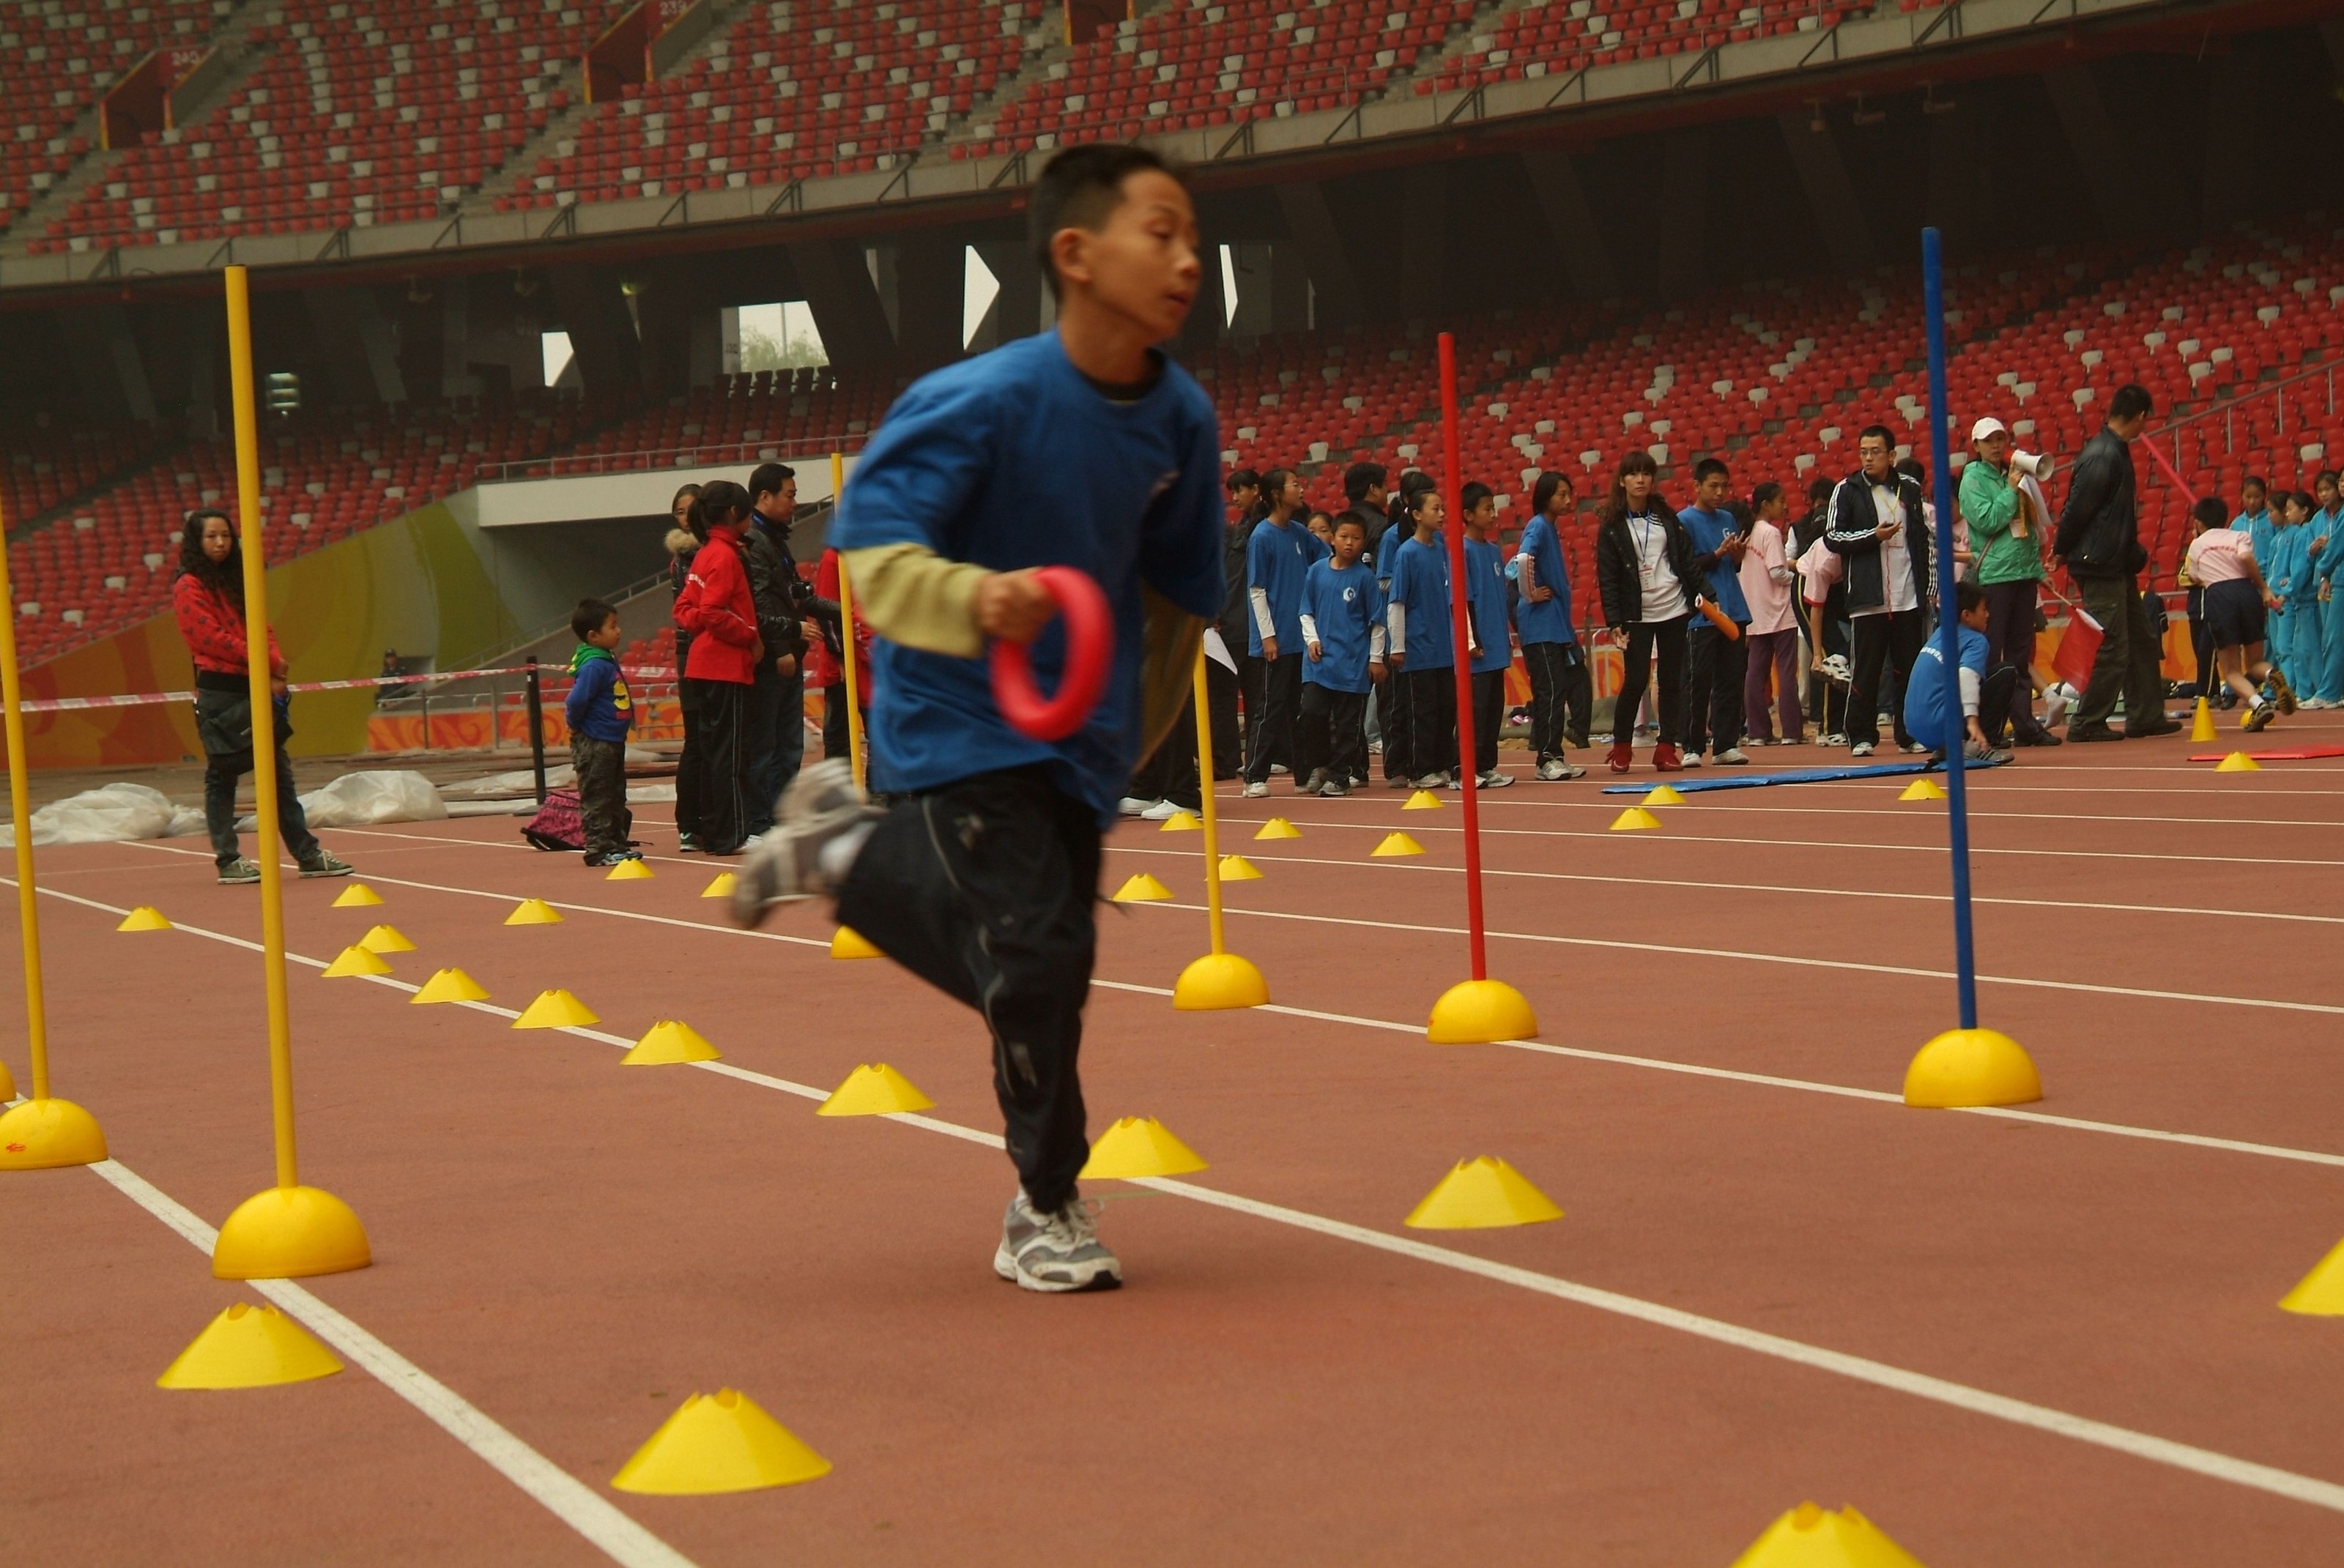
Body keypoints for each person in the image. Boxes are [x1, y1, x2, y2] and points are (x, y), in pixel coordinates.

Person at [732, 143, 1223, 1294]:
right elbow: (874, 558)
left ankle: (840, 852)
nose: (1189, 262)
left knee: (1048, 960)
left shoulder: (1181, 420)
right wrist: (976, 600)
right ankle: (1046, 1204)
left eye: (1196, 240)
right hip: (958, 708)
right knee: (1037, 955)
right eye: (1161, 233)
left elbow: (1175, 605)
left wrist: (1128, 748)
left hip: (1079, 734)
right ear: (1076, 254)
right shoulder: (980, 401)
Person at [170, 508, 352, 885]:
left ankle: (307, 854)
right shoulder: (189, 585)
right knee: (222, 776)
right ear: (196, 542)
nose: (220, 543)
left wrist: (274, 668)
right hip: (220, 690)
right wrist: (266, 660)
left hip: (254, 685)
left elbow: (262, 627)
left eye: (225, 535)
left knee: (278, 774)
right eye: (211, 537)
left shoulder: (237, 580)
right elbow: (208, 639)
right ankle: (228, 859)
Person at [2052, 384, 2176, 741]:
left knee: (2141, 640)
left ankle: (2146, 714)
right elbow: (2078, 509)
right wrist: (2061, 548)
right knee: (2112, 645)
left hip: (2113, 562)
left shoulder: (2111, 451)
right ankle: (2087, 721)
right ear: (2140, 416)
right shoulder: (2104, 455)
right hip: (2100, 563)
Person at [1827, 426, 1932, 757]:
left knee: (1908, 670)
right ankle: (1860, 735)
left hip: (1907, 595)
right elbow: (1833, 537)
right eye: (1863, 452)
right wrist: (1873, 536)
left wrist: (1928, 587)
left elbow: (1923, 538)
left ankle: (1909, 733)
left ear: (1892, 455)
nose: (1868, 458)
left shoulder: (1910, 488)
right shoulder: (1847, 490)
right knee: (1866, 670)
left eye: (1875, 451)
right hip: (1867, 598)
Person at [672, 480, 763, 854]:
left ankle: (714, 830)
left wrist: (706, 629)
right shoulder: (725, 556)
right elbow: (711, 611)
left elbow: (685, 609)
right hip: (725, 666)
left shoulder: (706, 554)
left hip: (701, 665)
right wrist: (749, 635)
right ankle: (732, 834)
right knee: (731, 753)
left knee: (712, 753)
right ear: (734, 513)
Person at [1594, 451, 1698, 773]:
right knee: (1636, 680)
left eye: (1646, 474)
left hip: (1674, 606)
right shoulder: (1612, 526)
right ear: (1622, 481)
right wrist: (1614, 621)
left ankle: (1666, 748)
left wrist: (1707, 593)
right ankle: (1622, 746)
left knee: (1670, 681)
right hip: (1636, 614)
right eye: (1633, 474)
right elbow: (1608, 578)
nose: (1640, 480)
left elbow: (1686, 558)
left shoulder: (1666, 516)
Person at [1958, 417, 2058, 746]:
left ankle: (2025, 725)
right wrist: (2011, 491)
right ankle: (1989, 727)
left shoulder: (2013, 472)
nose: (1996, 445)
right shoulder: (1973, 478)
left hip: (2022, 575)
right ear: (1976, 446)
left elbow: (2026, 528)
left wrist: (2038, 571)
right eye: (1989, 441)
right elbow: (1988, 521)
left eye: (2000, 439)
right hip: (1995, 576)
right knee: (1990, 654)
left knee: (2020, 654)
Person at [741, 462, 814, 835]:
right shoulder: (756, 541)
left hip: (789, 652)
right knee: (768, 745)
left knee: (789, 745)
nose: (795, 503)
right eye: (790, 495)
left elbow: (788, 594)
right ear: (765, 496)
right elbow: (759, 602)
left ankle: (781, 814)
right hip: (774, 659)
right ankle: (761, 819)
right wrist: (780, 646)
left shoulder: (774, 538)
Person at [1242, 467, 1319, 798]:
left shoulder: (1299, 532)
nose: (1300, 489)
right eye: (1294, 484)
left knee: (1299, 709)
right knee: (1270, 706)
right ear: (1276, 494)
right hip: (1276, 638)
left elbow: (1324, 560)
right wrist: (1267, 636)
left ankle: (1304, 774)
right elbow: (1256, 589)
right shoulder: (1262, 537)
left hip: (1301, 637)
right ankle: (1254, 776)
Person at [1297, 513, 1384, 795]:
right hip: (1319, 663)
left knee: (1348, 724)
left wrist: (1375, 659)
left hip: (1352, 664)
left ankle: (1340, 776)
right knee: (1312, 713)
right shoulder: (1316, 571)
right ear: (1332, 539)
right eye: (1344, 537)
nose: (1349, 543)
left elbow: (1377, 622)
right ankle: (1320, 764)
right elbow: (1306, 610)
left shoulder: (1365, 578)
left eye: (1356, 538)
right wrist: (1312, 639)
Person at [2184, 495, 2288, 731]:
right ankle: (2271, 673)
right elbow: (2245, 557)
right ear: (2225, 518)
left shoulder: (2197, 545)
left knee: (2231, 670)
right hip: (2247, 592)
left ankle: (2258, 704)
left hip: (2220, 597)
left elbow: (2193, 576)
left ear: (2198, 522)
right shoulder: (2239, 535)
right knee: (2255, 662)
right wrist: (2264, 589)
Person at [1384, 486, 1461, 788]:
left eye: (1443, 508)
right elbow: (1397, 602)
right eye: (1435, 509)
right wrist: (1398, 645)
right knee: (1423, 711)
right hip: (1419, 646)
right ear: (1416, 515)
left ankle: (1442, 764)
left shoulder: (1440, 548)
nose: (1441, 514)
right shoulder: (1407, 553)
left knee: (1445, 709)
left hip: (1443, 646)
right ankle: (1420, 769)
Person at [1677, 457, 1750, 765]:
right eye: (1713, 486)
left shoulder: (1728, 518)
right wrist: (1717, 554)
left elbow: (1734, 566)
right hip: (1702, 611)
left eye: (1724, 486)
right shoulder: (1684, 521)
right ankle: (1692, 746)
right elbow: (1686, 566)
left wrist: (1737, 555)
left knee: (1731, 680)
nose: (1720, 492)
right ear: (1697, 486)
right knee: (1697, 681)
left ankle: (1725, 744)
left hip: (1733, 607)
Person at [1515, 470, 1588, 779]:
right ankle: (1546, 758)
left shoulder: (1549, 528)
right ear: (1546, 497)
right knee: (1550, 691)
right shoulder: (1538, 526)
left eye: (1569, 494)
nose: (1568, 500)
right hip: (1540, 626)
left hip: (1554, 625)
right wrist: (1530, 593)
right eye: (1561, 494)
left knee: (1558, 690)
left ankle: (1554, 754)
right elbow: (1522, 560)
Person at [1902, 582, 2014, 765]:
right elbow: (1966, 677)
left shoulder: (1940, 633)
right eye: (1983, 609)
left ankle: (1948, 748)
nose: (1988, 614)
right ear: (1967, 615)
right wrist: (1972, 723)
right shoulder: (1975, 640)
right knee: (2006, 672)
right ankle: (1981, 746)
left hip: (1915, 727)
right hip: (1940, 725)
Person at [564, 597, 639, 867]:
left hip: (612, 739)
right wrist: (574, 723)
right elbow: (576, 700)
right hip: (596, 741)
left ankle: (616, 842)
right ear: (593, 636)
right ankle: (599, 848)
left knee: (615, 794)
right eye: (612, 626)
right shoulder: (594, 665)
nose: (619, 631)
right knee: (598, 795)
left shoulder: (606, 659)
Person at [1376, 469, 1438, 787]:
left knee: (1431, 704)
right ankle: (1397, 764)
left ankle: (1431, 761)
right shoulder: (1393, 539)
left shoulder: (1438, 541)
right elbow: (1384, 583)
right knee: (1399, 703)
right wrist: (1411, 583)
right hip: (1400, 632)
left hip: (1431, 632)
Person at [1459, 481, 1515, 787]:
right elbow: (1463, 600)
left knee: (1494, 709)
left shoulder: (1493, 551)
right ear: (1468, 515)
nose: (1493, 514)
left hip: (1496, 646)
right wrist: (1471, 641)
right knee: (1475, 711)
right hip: (1476, 650)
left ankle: (1487, 765)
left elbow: (1500, 598)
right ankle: (1465, 767)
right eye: (1486, 509)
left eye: (1493, 508)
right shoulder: (1462, 551)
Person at [1738, 480, 1802, 745]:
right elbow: (1777, 572)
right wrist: (1800, 577)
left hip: (1755, 611)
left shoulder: (1746, 532)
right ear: (1766, 505)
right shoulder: (1771, 533)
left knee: (1755, 672)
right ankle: (1791, 731)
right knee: (1786, 671)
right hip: (1779, 610)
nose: (1785, 506)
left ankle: (1757, 732)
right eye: (1780, 501)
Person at [1792, 475, 1849, 743]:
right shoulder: (1825, 559)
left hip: (1834, 589)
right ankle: (1828, 729)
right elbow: (1816, 610)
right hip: (1806, 590)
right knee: (1831, 658)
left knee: (1843, 654)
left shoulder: (1855, 546)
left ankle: (1835, 724)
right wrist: (1816, 654)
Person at [665, 483, 707, 851]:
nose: (687, 518)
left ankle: (707, 819)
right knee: (697, 740)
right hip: (693, 654)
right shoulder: (684, 560)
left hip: (707, 653)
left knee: (715, 740)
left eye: (692, 510)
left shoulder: (715, 551)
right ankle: (690, 824)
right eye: (680, 512)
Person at [808, 544, 870, 768]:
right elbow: (826, 611)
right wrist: (841, 658)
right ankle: (839, 786)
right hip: (843, 665)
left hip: (867, 660)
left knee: (878, 734)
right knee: (839, 736)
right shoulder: (835, 557)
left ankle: (877, 788)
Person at [2271, 490, 2328, 701]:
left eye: (2290, 509)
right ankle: (2303, 692)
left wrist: (2287, 591)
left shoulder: (2304, 533)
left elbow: (2303, 567)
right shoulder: (2299, 533)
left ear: (2304, 511)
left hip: (2307, 599)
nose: (2287, 513)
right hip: (2300, 600)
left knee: (2310, 649)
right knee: (2299, 650)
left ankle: (2320, 690)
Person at [2312, 471, 2344, 707]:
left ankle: (2329, 693)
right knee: (2330, 637)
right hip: (2331, 580)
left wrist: (2324, 571)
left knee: (2334, 638)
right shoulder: (2319, 518)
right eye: (2342, 480)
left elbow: (2336, 550)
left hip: (2338, 580)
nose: (2343, 485)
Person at [1340, 461, 1390, 566]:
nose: (1388, 489)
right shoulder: (1382, 526)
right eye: (1385, 485)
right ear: (1373, 489)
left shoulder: (1339, 523)